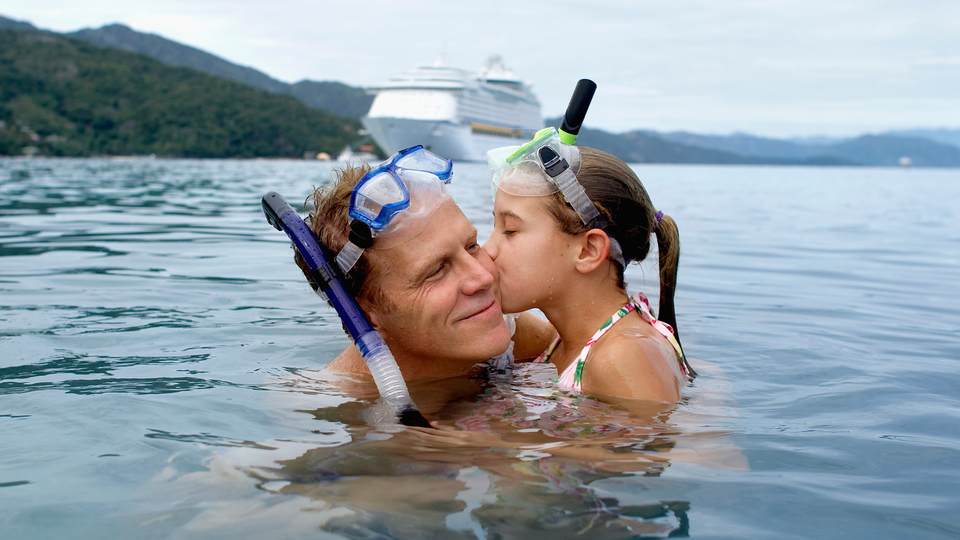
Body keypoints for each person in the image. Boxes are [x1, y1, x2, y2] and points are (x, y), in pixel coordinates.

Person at [293, 146, 554, 384]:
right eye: (436, 271)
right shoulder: (323, 409)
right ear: (365, 315)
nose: (484, 277)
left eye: (472, 246)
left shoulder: (512, 333)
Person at [481, 128, 696, 405]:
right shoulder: (564, 341)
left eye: (509, 230)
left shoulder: (625, 355)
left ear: (588, 251)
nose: (488, 249)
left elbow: (651, 446)